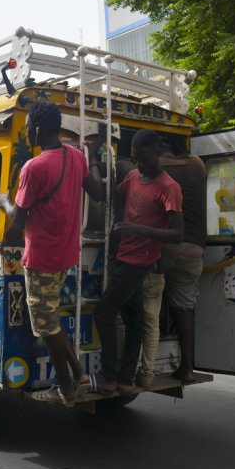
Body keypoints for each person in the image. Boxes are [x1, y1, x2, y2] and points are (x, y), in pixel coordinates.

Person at [0, 99, 104, 406]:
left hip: (42, 258)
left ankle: (68, 389)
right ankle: (80, 374)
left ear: (39, 129)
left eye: (29, 126)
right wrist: (92, 155)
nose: (28, 132)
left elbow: (19, 216)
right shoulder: (75, 157)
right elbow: (97, 192)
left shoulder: (34, 167)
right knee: (51, 318)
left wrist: (4, 202)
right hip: (66, 255)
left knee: (45, 325)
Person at [91, 129, 183, 395]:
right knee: (133, 320)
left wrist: (138, 230)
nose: (140, 164)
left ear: (157, 153)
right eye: (135, 159)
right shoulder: (132, 176)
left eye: (144, 159)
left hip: (140, 261)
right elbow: (109, 194)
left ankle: (110, 377)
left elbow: (177, 234)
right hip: (123, 256)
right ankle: (126, 380)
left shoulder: (169, 187)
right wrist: (96, 155)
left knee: (104, 312)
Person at [158, 137, 207, 382]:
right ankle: (186, 368)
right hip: (195, 250)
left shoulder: (159, 168)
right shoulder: (198, 164)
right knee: (184, 308)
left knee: (147, 299)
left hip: (167, 248)